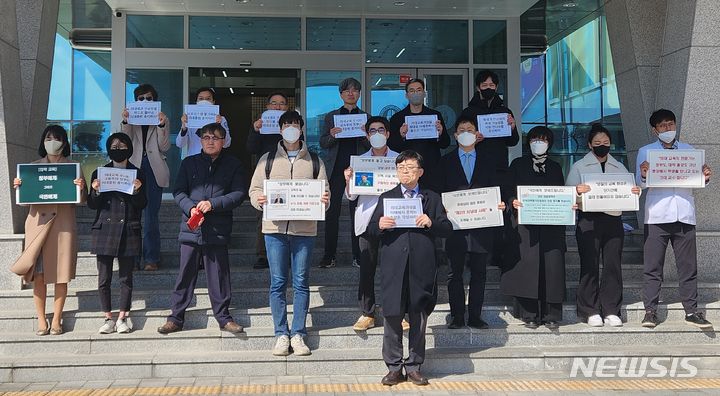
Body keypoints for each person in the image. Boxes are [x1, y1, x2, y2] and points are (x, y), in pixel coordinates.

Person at [368, 150, 453, 386]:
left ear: (421, 172)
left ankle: (415, 366)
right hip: (394, 265)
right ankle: (394, 367)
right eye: (401, 168)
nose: (405, 172)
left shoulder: (431, 198)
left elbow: (447, 228)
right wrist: (380, 225)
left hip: (421, 265)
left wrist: (431, 222)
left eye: (410, 167)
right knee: (392, 315)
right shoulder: (387, 197)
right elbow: (371, 230)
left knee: (419, 316)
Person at [249, 111, 330, 356]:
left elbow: (325, 192)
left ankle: (299, 334)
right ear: (280, 128)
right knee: (277, 283)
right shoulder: (268, 159)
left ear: (302, 128)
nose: (291, 128)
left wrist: (324, 200)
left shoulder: (315, 160)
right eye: (286, 124)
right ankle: (281, 333)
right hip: (274, 229)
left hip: (304, 229)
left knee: (301, 282)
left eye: (295, 124)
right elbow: (254, 189)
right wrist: (259, 200)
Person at [157, 123, 247, 334]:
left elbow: (239, 193)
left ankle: (224, 318)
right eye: (206, 137)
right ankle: (175, 318)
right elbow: (179, 192)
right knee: (185, 275)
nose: (210, 141)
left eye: (215, 138)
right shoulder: (189, 163)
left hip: (217, 228)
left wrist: (213, 204)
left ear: (223, 141)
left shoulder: (233, 164)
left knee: (219, 276)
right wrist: (191, 209)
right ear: (200, 140)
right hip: (191, 228)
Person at [636, 109, 713, 329]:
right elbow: (639, 185)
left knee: (688, 267)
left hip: (684, 214)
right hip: (657, 216)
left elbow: (698, 181)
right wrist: (643, 174)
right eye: (663, 126)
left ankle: (691, 310)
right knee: (653, 267)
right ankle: (650, 311)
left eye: (671, 124)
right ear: (655, 130)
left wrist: (705, 177)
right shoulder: (646, 152)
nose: (668, 129)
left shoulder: (689, 151)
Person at [11, 125, 87, 335]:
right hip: (38, 227)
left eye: (57, 138)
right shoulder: (31, 168)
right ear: (43, 141)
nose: (52, 141)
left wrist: (80, 188)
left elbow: (82, 200)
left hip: (62, 227)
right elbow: (25, 201)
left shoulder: (74, 167)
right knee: (39, 275)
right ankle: (41, 319)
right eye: (48, 137)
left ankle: (57, 318)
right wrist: (20, 187)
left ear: (64, 142)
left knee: (61, 275)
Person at [565, 124, 641, 327]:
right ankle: (589, 310)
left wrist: (635, 192)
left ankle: (611, 309)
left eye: (605, 143)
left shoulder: (619, 166)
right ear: (589, 145)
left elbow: (629, 190)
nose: (602, 146)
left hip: (613, 220)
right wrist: (577, 191)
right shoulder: (580, 166)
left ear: (611, 144)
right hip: (588, 220)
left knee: (612, 265)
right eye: (597, 143)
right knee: (589, 265)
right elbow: (567, 194)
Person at [440, 115, 505, 329]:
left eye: (470, 129)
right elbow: (440, 191)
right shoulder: (445, 161)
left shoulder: (488, 160)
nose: (466, 133)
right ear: (456, 135)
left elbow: (496, 188)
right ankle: (457, 316)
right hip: (455, 227)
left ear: (477, 135)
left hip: (481, 226)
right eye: (461, 130)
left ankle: (475, 316)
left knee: (480, 274)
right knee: (454, 274)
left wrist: (499, 205)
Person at [501, 126, 569, 330]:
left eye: (543, 139)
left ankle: (551, 314)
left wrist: (568, 204)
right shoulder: (517, 164)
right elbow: (508, 190)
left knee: (552, 267)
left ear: (550, 143)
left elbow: (562, 193)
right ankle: (528, 313)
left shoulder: (556, 167)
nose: (538, 143)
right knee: (527, 267)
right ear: (528, 142)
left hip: (551, 224)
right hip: (525, 225)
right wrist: (513, 201)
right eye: (534, 139)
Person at [344, 116, 399, 331]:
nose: (377, 134)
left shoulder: (399, 160)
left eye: (381, 130)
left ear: (388, 134)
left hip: (394, 220)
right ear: (367, 136)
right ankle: (367, 313)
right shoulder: (359, 161)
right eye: (372, 131)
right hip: (368, 221)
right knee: (367, 268)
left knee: (394, 269)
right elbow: (351, 197)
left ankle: (395, 312)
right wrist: (348, 180)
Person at [87, 133, 146, 334]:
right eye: (114, 145)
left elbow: (142, 204)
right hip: (105, 229)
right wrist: (95, 191)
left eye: (122, 145)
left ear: (129, 148)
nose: (118, 148)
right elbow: (92, 205)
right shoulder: (99, 172)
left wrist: (138, 191)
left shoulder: (137, 172)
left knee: (125, 277)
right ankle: (107, 317)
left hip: (128, 228)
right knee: (104, 278)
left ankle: (122, 317)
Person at [460, 70, 519, 268]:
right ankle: (471, 254)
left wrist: (512, 127)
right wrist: (472, 139)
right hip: (476, 167)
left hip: (499, 168)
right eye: (484, 85)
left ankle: (497, 254)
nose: (488, 89)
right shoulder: (469, 112)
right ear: (477, 87)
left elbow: (513, 141)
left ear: (496, 87)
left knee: (499, 211)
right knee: (476, 208)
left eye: (491, 85)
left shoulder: (504, 111)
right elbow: (460, 138)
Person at [318, 77, 370, 268]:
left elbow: (373, 145)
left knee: (357, 213)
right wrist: (332, 135)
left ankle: (358, 255)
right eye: (347, 90)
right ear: (341, 94)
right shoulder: (331, 116)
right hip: (335, 169)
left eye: (355, 90)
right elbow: (323, 143)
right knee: (332, 213)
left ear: (359, 93)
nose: (351, 93)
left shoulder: (366, 117)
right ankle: (329, 255)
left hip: (359, 170)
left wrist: (366, 135)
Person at [121, 83, 170, 271]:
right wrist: (125, 121)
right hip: (133, 167)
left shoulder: (161, 118)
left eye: (149, 98)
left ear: (155, 100)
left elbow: (164, 146)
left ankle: (151, 258)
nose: (145, 102)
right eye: (141, 99)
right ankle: (132, 258)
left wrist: (162, 125)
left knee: (151, 216)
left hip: (154, 168)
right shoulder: (130, 118)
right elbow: (124, 142)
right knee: (132, 215)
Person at [246, 92, 289, 269]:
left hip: (288, 175)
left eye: (281, 104)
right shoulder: (260, 124)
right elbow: (251, 148)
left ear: (287, 107)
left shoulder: (291, 125)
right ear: (267, 107)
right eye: (274, 103)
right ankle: (263, 255)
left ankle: (286, 254)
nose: (277, 107)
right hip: (266, 173)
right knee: (262, 215)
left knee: (288, 213)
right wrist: (255, 130)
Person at [388, 78, 450, 192]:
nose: (415, 93)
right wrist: (401, 135)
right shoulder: (397, 118)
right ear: (407, 95)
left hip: (431, 168)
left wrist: (440, 133)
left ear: (424, 93)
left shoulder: (434, 115)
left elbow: (446, 143)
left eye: (419, 90)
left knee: (431, 202)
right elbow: (392, 146)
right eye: (411, 91)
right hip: (408, 168)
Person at [177, 87, 231, 157]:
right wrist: (184, 127)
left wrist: (220, 126)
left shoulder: (221, 119)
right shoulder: (189, 119)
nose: (204, 101)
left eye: (208, 99)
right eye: (201, 99)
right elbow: (180, 144)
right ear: (196, 101)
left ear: (213, 101)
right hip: (194, 159)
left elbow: (227, 144)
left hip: (214, 159)